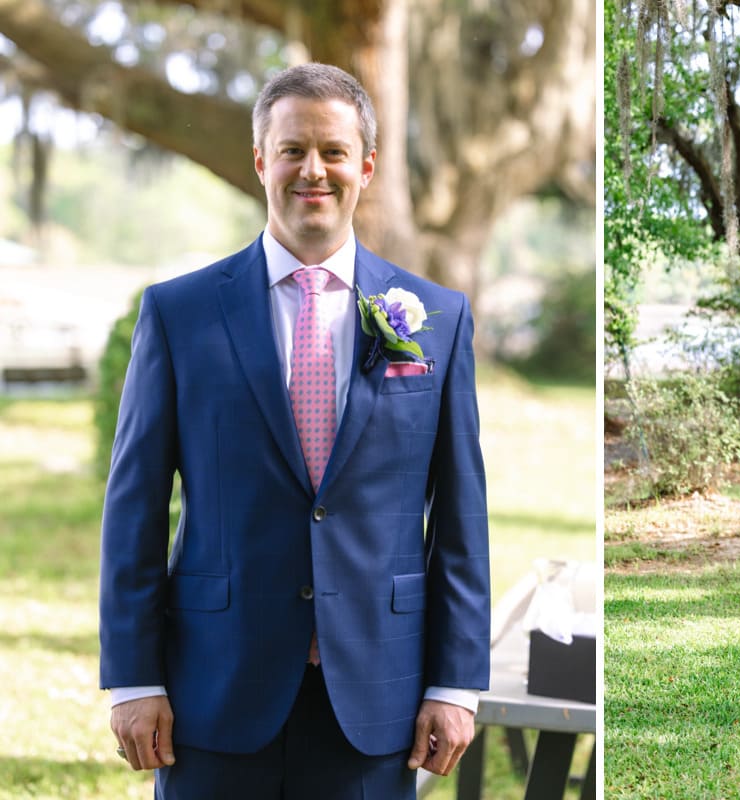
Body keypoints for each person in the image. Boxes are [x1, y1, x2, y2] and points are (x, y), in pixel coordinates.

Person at [99, 63, 490, 798]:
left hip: (380, 694)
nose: (314, 170)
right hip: (214, 692)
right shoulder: (178, 314)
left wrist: (456, 684)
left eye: (334, 151)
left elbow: (462, 518)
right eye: (292, 150)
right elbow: (134, 511)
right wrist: (132, 677)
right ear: (260, 161)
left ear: (366, 166)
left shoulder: (438, 319)